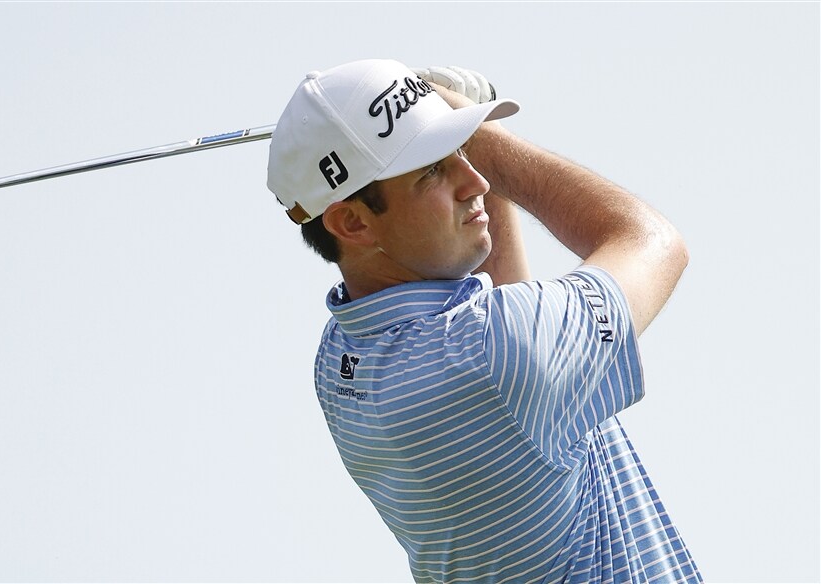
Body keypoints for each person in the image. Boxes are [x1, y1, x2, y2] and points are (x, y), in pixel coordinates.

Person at [266, 59, 702, 583]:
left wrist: (447, 130)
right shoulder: (496, 354)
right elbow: (653, 242)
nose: (475, 179)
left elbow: (505, 317)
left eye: (461, 154)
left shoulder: (342, 360)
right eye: (432, 170)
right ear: (353, 221)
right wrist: (482, 134)